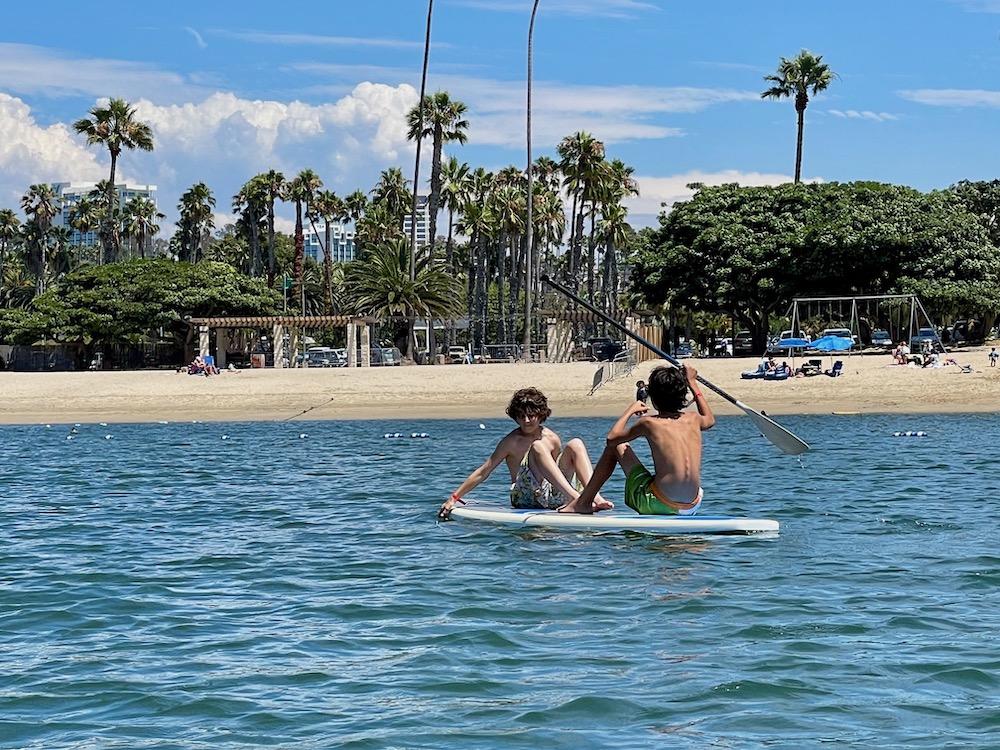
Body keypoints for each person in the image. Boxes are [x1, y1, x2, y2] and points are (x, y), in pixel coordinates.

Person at [560, 364, 715, 515]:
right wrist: (693, 383)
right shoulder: (695, 419)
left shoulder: (649, 423)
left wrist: (630, 410)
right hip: (692, 505)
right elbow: (710, 420)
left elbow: (611, 439)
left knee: (617, 446)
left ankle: (583, 503)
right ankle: (585, 501)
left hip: (660, 504)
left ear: (652, 397)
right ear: (683, 394)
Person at [438, 387, 613, 520]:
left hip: (553, 496)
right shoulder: (511, 441)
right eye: (521, 416)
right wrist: (454, 497)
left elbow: (556, 473)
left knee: (576, 443)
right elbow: (484, 471)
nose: (526, 421)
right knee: (537, 447)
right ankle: (578, 500)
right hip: (526, 497)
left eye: (531, 416)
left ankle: (594, 497)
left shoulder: (552, 437)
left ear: (541, 414)